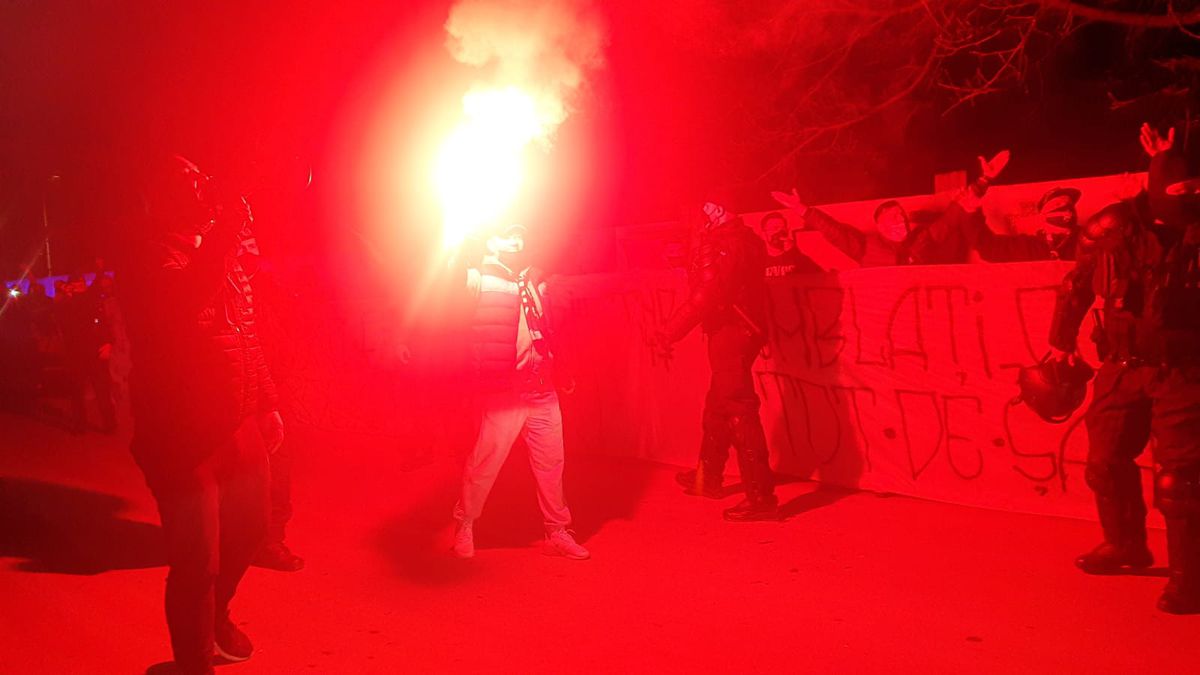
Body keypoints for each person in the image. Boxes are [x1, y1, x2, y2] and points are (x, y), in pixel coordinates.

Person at [119, 154, 284, 673]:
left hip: (236, 421)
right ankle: (193, 661)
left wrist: (267, 404)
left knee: (252, 530)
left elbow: (246, 332)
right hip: (180, 435)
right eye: (186, 181)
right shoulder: (146, 256)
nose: (201, 187)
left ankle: (213, 615)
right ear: (160, 197)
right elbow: (183, 304)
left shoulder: (218, 249)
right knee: (198, 560)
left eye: (201, 178)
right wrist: (226, 233)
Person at [1048, 123, 1200, 614]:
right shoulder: (1113, 227)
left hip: (1185, 369)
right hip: (1123, 364)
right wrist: (1060, 342)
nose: (1189, 198)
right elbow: (1076, 285)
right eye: (1180, 190)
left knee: (1180, 479)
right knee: (1105, 459)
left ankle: (1189, 578)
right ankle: (1125, 544)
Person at [451, 223, 589, 560]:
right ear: (489, 242)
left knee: (551, 464)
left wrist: (562, 369)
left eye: (518, 233)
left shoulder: (535, 279)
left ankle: (557, 530)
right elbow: (445, 288)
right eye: (505, 234)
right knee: (485, 463)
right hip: (504, 392)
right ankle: (464, 524)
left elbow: (550, 329)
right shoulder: (477, 278)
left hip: (542, 388)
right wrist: (455, 244)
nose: (515, 240)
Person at [656, 197, 778, 521]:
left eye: (706, 207)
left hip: (731, 331)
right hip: (743, 330)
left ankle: (761, 497)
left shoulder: (724, 242)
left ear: (717, 209)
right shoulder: (748, 239)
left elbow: (708, 295)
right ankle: (708, 476)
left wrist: (669, 331)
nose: (701, 214)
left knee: (737, 406)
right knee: (719, 403)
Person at [771, 150, 1010, 266]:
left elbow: (953, 215)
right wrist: (802, 210)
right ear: (880, 225)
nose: (901, 221)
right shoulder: (865, 248)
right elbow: (834, 232)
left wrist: (983, 182)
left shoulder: (924, 238)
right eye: (893, 218)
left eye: (902, 216)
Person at [57, 272, 117, 433]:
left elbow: (103, 323)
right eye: (76, 284)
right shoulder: (66, 304)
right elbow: (62, 323)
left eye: (81, 283)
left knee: (102, 390)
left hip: (95, 351)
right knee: (76, 390)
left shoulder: (92, 300)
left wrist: (108, 343)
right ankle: (80, 424)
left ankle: (110, 424)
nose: (79, 287)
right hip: (76, 353)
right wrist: (67, 297)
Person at [967, 186, 1082, 262]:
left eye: (1069, 204)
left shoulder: (1085, 240)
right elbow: (989, 247)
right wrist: (972, 210)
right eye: (1058, 204)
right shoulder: (1027, 247)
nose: (1066, 209)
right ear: (1042, 216)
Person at [758, 211, 822, 277]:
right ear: (763, 234)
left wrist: (794, 252)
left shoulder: (795, 255)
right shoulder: (757, 260)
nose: (779, 232)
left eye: (783, 229)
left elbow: (818, 275)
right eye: (775, 228)